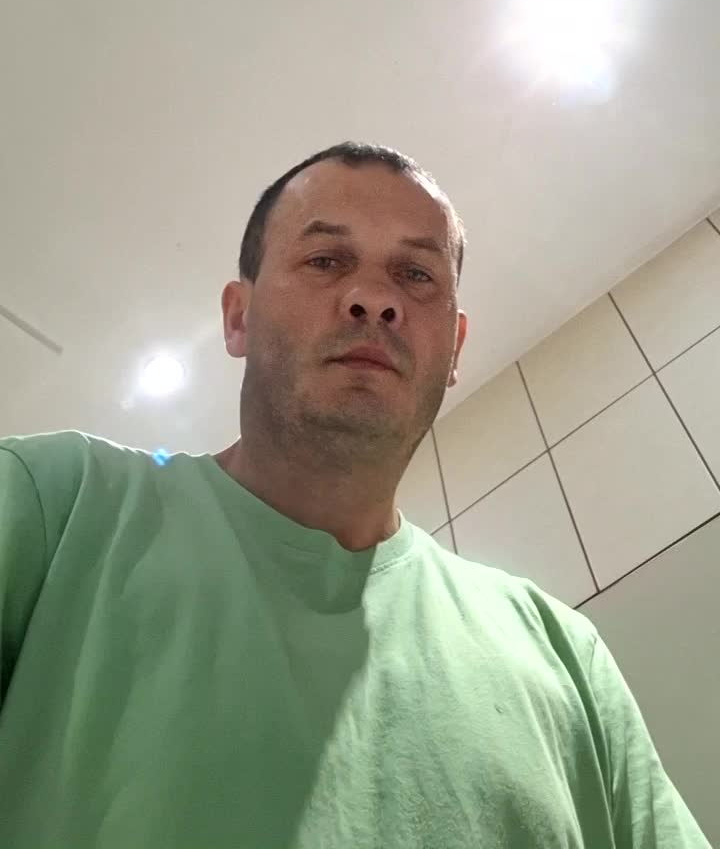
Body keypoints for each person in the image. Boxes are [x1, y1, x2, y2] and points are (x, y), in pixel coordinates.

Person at [0, 141, 711, 848]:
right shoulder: (51, 505)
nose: (375, 299)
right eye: (326, 261)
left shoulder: (565, 655)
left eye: (416, 274)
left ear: (456, 348)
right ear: (238, 317)